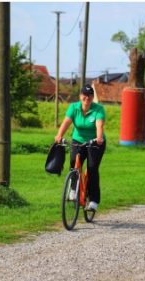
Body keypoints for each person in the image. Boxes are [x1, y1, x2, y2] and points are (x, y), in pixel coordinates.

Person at [53, 84, 106, 212]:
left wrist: (99, 138)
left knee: (92, 169)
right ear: (80, 96)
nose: (86, 97)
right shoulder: (74, 107)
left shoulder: (98, 109)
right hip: (78, 140)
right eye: (84, 95)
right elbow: (66, 122)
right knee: (73, 164)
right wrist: (59, 135)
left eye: (89, 95)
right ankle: (73, 189)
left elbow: (99, 125)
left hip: (95, 142)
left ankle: (93, 200)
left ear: (93, 97)